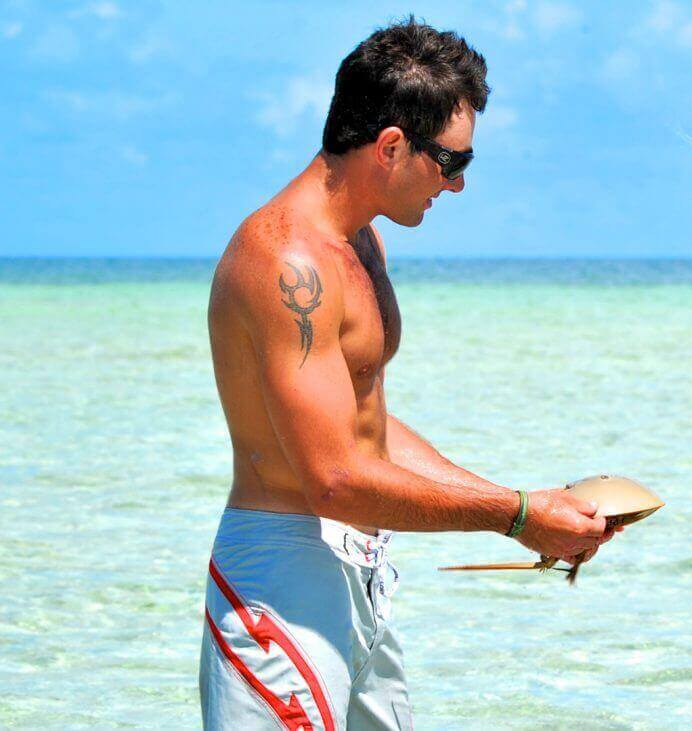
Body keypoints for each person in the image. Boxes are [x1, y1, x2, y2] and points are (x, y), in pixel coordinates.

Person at [200, 19, 612, 730]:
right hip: (283, 585)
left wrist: (531, 506)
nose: (456, 187)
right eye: (453, 163)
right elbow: (332, 474)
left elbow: (367, 426)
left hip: (359, 578)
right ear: (391, 146)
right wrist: (514, 516)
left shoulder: (361, 243)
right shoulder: (286, 263)